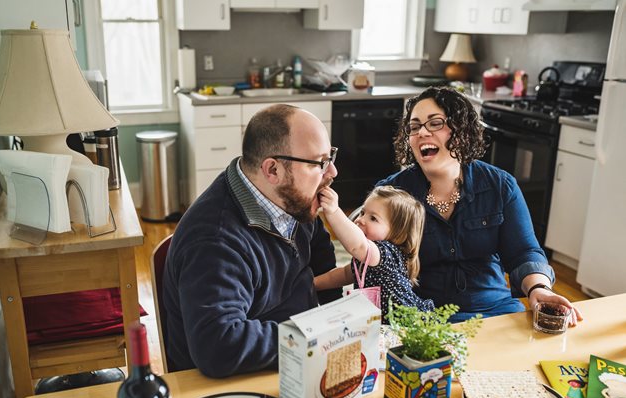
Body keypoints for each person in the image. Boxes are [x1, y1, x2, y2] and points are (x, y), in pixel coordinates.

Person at [162, 104, 341, 377]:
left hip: (292, 357)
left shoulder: (292, 200)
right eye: (320, 163)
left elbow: (323, 264)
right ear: (272, 170)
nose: (332, 173)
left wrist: (342, 323)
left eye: (330, 158)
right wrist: (316, 334)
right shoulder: (214, 239)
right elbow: (218, 344)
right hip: (232, 383)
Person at [378, 86, 583, 324]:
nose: (422, 133)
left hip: (494, 309)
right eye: (414, 127)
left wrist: (539, 288)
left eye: (435, 123)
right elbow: (369, 257)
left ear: (461, 129)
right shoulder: (391, 194)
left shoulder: (500, 185)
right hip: (420, 316)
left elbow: (524, 251)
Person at [314, 185, 435, 321]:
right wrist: (311, 283)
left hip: (404, 324)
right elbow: (343, 274)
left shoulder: (386, 253)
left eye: (373, 218)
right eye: (362, 212)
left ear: (398, 233)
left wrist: (334, 211)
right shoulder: (367, 258)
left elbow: (357, 246)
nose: (361, 220)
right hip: (379, 325)